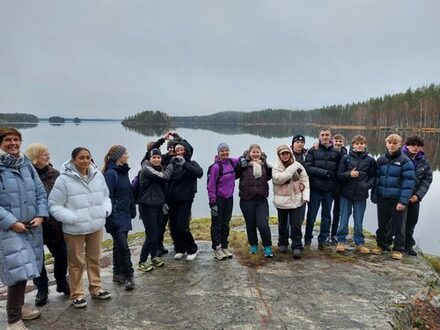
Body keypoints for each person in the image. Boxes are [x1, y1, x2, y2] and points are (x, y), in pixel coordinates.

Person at [49, 147, 112, 308]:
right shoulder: (63, 180)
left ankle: (96, 288)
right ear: (73, 160)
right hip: (74, 229)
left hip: (96, 226)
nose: (85, 161)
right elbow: (54, 205)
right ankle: (76, 294)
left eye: (88, 158)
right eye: (81, 158)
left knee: (94, 259)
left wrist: (105, 210)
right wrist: (72, 218)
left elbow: (106, 196)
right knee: (76, 262)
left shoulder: (98, 176)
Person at [0, 128, 47, 329]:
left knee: (29, 268)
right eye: (8, 140)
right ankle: (13, 321)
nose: (13, 143)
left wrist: (40, 215)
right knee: (17, 272)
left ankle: (20, 307)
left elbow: (40, 192)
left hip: (31, 226)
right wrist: (11, 222)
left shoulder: (25, 163)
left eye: (16, 139)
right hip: (9, 228)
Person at [25, 143, 69, 307]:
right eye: (45, 154)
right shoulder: (25, 175)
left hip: (54, 224)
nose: (48, 157)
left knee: (62, 255)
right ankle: (42, 289)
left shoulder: (55, 174)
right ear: (35, 157)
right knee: (37, 260)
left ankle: (61, 282)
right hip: (33, 224)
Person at [371, 134, 415, 260]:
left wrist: (403, 201)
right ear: (386, 144)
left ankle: (398, 249)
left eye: (395, 143)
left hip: (397, 199)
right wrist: (374, 195)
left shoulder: (405, 161)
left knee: (399, 225)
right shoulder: (380, 160)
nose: (392, 145)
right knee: (383, 223)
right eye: (389, 143)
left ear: (400, 144)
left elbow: (408, 183)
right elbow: (377, 180)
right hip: (383, 197)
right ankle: (382, 245)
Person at [335, 135, 376, 254]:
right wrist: (349, 175)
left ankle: (359, 243)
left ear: (365, 145)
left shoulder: (370, 160)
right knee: (343, 220)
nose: (359, 145)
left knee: (358, 220)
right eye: (357, 143)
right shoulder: (345, 158)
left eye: (362, 143)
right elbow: (339, 175)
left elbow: (373, 178)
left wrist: (366, 186)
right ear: (352, 145)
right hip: (346, 194)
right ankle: (341, 241)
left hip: (361, 195)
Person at [103, 145, 136, 290]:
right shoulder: (110, 174)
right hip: (115, 216)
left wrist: (132, 209)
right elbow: (107, 197)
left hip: (124, 214)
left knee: (118, 245)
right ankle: (129, 275)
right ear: (118, 157)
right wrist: (113, 218)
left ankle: (117, 273)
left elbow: (127, 193)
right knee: (123, 246)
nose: (128, 156)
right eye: (126, 153)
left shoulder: (123, 171)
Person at [304, 128, 341, 250]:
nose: (325, 137)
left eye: (327, 135)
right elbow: (307, 167)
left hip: (329, 190)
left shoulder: (336, 152)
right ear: (319, 137)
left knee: (326, 216)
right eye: (323, 135)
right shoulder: (313, 151)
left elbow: (339, 170)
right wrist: (324, 173)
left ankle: (323, 240)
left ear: (330, 137)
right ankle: (308, 239)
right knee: (311, 216)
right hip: (315, 188)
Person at [137, 148, 174, 271]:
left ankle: (154, 256)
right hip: (147, 206)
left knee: (157, 232)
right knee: (151, 234)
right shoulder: (147, 169)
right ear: (150, 158)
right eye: (154, 157)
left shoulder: (158, 168)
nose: (157, 159)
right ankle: (142, 261)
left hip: (158, 205)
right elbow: (165, 177)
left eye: (159, 157)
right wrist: (171, 164)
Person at [166, 141, 203, 261]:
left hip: (185, 199)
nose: (179, 152)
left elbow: (199, 173)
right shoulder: (171, 164)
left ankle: (192, 249)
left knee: (182, 226)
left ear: (186, 151)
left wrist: (184, 164)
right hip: (172, 199)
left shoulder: (191, 163)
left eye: (182, 150)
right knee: (174, 227)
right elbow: (166, 180)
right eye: (177, 150)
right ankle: (180, 249)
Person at [272, 144, 309, 259]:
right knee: (282, 224)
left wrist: (305, 197)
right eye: (282, 154)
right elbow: (278, 179)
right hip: (282, 201)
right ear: (279, 155)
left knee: (296, 224)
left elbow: (305, 180)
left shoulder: (299, 166)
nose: (285, 155)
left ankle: (297, 246)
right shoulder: (276, 167)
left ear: (290, 153)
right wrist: (293, 167)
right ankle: (283, 243)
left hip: (296, 200)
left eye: (287, 153)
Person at [236, 144, 273, 257]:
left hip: (261, 199)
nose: (256, 154)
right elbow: (235, 175)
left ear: (261, 153)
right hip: (246, 199)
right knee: (250, 225)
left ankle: (267, 247)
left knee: (263, 225)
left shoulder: (265, 164)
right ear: (249, 153)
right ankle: (254, 246)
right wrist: (241, 164)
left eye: (258, 152)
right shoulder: (243, 164)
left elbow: (271, 176)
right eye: (253, 152)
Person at [207, 143, 239, 260]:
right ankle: (217, 248)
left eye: (226, 150)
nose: (224, 153)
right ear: (218, 153)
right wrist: (212, 203)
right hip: (218, 199)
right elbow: (211, 186)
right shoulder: (216, 167)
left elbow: (241, 158)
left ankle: (224, 246)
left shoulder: (231, 162)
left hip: (229, 198)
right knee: (217, 224)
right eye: (222, 151)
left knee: (226, 223)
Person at [402, 135, 433, 256]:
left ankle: (408, 246)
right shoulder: (400, 157)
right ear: (407, 145)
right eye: (412, 145)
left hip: (415, 199)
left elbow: (427, 179)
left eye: (418, 146)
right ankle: (392, 243)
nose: (415, 148)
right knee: (396, 222)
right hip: (400, 197)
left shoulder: (424, 161)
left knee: (411, 222)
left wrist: (418, 195)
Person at [329, 133, 347, 245]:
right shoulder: (328, 152)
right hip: (329, 187)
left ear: (343, 143)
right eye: (336, 141)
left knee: (337, 213)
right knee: (326, 213)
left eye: (340, 141)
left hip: (341, 188)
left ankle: (334, 235)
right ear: (332, 142)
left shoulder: (347, 155)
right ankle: (325, 235)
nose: (338, 143)